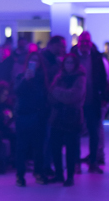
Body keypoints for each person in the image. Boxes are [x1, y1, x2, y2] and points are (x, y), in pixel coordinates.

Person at [49, 51, 86, 186]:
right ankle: (59, 174)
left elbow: (74, 96)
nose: (69, 65)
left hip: (72, 116)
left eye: (71, 62)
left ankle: (70, 176)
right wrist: (61, 95)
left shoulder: (80, 77)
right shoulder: (59, 76)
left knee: (71, 148)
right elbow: (50, 95)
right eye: (67, 62)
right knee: (56, 147)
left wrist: (57, 92)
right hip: (57, 116)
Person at [14, 51, 50, 187]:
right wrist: (26, 79)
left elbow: (45, 96)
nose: (35, 63)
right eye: (32, 60)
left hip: (39, 116)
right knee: (21, 147)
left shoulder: (42, 78)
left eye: (37, 61)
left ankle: (38, 172)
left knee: (38, 147)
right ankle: (20, 175)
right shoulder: (21, 77)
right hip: (23, 115)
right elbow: (17, 91)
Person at [76, 30, 109, 171]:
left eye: (87, 41)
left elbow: (102, 79)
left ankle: (93, 161)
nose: (84, 44)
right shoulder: (73, 56)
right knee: (75, 133)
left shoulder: (96, 58)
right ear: (78, 43)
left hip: (92, 100)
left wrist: (104, 97)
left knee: (94, 132)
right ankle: (76, 163)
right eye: (82, 41)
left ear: (90, 43)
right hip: (76, 102)